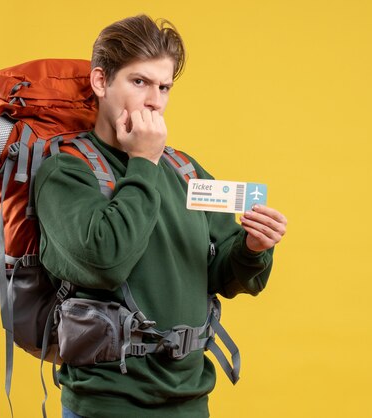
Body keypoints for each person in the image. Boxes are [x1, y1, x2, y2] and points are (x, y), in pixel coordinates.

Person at [34, 15, 287, 418]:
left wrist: (253, 248)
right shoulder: (66, 172)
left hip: (189, 401)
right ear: (101, 82)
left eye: (164, 87)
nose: (154, 100)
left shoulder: (184, 170)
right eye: (140, 82)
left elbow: (227, 275)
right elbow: (107, 262)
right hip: (106, 405)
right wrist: (143, 162)